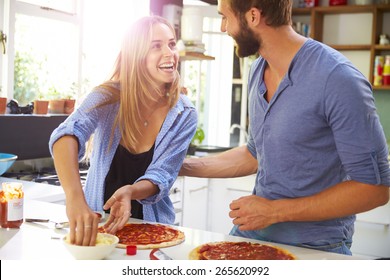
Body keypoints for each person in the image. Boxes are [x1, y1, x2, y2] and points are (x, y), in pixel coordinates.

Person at [180, 0, 390, 255]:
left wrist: (274, 211)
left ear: (254, 16)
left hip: (316, 245)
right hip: (254, 233)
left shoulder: (338, 79)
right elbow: (254, 154)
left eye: (225, 17)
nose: (224, 28)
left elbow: (375, 190)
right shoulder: (258, 69)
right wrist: (181, 166)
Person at [49, 16, 197, 246]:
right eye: (156, 46)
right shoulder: (107, 98)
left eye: (171, 43)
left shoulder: (184, 113)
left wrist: (130, 191)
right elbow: (67, 134)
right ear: (136, 56)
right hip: (98, 228)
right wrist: (75, 199)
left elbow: (161, 175)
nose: (170, 53)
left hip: (154, 232)